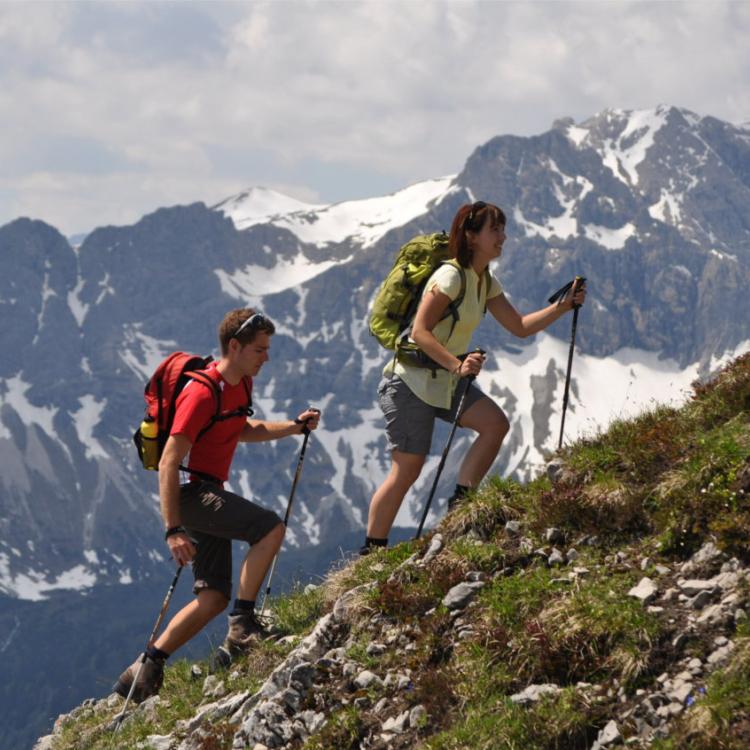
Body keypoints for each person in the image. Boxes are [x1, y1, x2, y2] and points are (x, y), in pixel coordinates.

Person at [114, 308, 320, 702]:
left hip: (206, 491)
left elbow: (242, 429)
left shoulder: (240, 386)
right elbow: (170, 461)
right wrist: (173, 529)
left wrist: (293, 427)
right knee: (269, 528)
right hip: (191, 493)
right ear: (234, 346)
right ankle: (243, 627)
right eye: (259, 350)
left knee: (212, 597)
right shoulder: (202, 392)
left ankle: (143, 670)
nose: (266, 357)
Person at [362, 201, 586, 553]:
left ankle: (459, 511)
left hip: (445, 380)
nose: (503, 237)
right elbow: (420, 332)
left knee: (495, 425)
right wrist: (456, 365)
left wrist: (563, 305)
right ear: (471, 236)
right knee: (407, 468)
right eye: (494, 230)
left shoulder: (484, 280)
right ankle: (372, 552)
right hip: (409, 383)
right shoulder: (450, 277)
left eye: (502, 229)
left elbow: (520, 327)